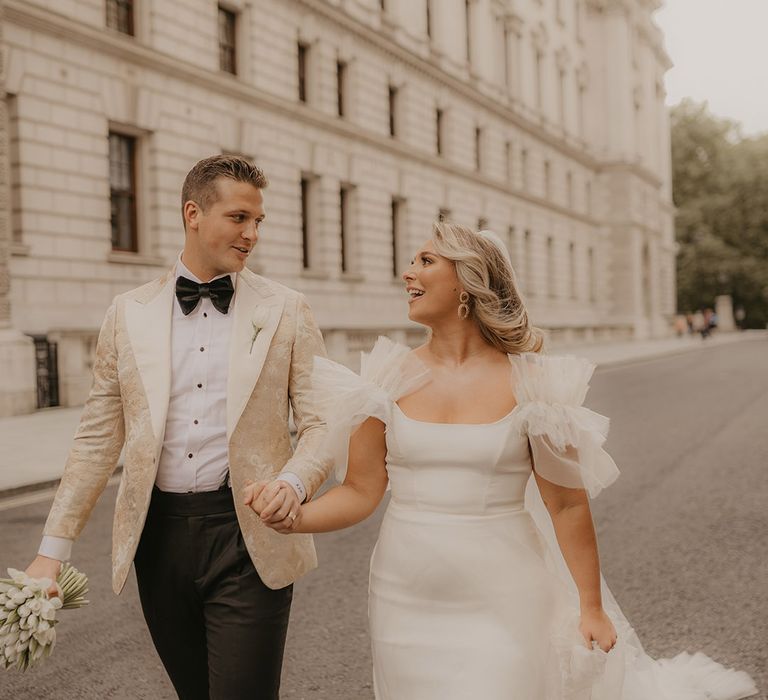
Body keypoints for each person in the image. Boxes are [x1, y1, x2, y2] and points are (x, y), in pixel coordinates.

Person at [247, 222, 758, 699]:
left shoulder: (533, 386)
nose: (408, 272)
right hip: (405, 596)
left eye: (426, 260)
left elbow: (566, 507)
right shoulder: (383, 380)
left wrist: (591, 606)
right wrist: (293, 518)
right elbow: (361, 491)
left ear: (467, 283)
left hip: (506, 593)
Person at [25, 155, 332, 699]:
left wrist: (296, 482)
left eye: (259, 221)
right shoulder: (127, 313)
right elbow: (98, 436)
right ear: (194, 213)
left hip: (246, 535)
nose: (252, 234)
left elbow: (320, 423)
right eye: (240, 218)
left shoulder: (287, 309)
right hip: (158, 538)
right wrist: (53, 549)